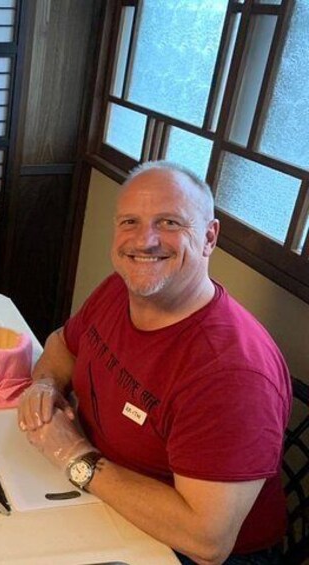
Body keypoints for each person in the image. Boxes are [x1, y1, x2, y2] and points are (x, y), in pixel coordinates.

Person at [17, 161, 291, 565]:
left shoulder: (232, 372)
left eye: (169, 223)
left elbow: (207, 541)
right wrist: (45, 385)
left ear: (209, 237)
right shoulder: (118, 289)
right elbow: (63, 346)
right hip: (104, 494)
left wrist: (76, 457)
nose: (144, 241)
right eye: (130, 221)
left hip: (181, 547)